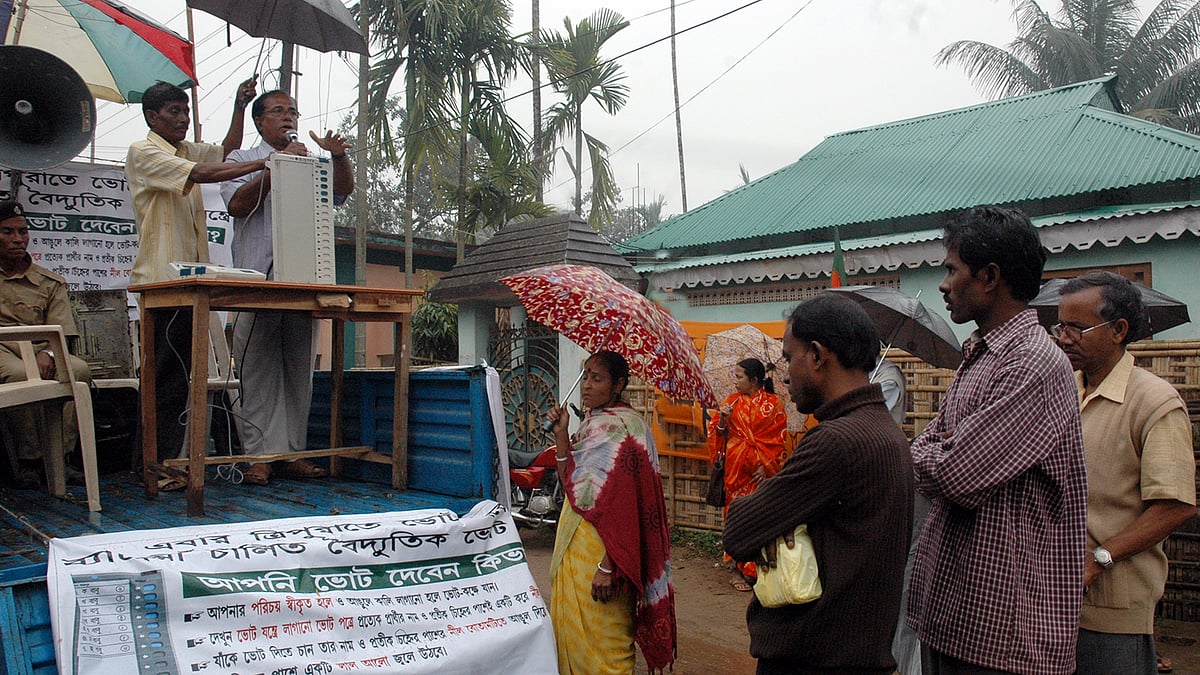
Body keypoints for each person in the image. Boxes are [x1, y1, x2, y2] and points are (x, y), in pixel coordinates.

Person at [907, 205, 1087, 674]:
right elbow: (931, 447)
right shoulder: (982, 355)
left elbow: (954, 472)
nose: (944, 285)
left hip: (1006, 633)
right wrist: (940, 448)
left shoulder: (1032, 363)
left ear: (989, 277)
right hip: (960, 616)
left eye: (952, 270)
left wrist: (940, 450)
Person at [723, 293, 914, 674]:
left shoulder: (836, 441)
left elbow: (738, 530)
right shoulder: (887, 434)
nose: (785, 373)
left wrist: (775, 526)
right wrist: (784, 521)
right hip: (858, 655)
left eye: (788, 357)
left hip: (814, 659)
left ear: (816, 355)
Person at [1055, 271, 1196, 675]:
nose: (1064, 338)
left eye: (1078, 328)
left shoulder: (1153, 402)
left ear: (1118, 330)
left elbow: (1175, 506)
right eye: (1061, 326)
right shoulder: (1067, 391)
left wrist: (1099, 559)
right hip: (1055, 603)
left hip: (1113, 612)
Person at [125, 78, 261, 477]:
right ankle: (155, 466)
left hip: (189, 282)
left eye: (186, 111)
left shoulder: (185, 148)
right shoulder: (144, 151)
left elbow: (226, 149)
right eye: (174, 112)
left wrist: (239, 106)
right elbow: (206, 171)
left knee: (181, 378)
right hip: (160, 281)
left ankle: (159, 464)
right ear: (153, 116)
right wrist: (262, 164)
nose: (183, 119)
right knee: (163, 379)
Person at [220, 89, 354, 486]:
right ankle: (260, 457)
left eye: (292, 110)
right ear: (260, 121)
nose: (287, 116)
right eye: (278, 111)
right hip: (256, 283)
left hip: (302, 281)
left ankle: (292, 453)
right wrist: (274, 166)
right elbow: (237, 205)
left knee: (298, 370)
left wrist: (338, 155)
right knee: (257, 371)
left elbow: (342, 192)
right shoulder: (241, 160)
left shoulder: (309, 162)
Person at [546, 351, 676, 674]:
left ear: (618, 385)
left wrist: (608, 565)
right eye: (585, 376)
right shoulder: (592, 423)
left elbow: (630, 510)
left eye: (597, 378)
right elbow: (571, 484)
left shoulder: (628, 431)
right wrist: (562, 433)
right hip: (576, 548)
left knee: (608, 646)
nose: (586, 385)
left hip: (606, 558)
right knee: (572, 640)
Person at [0, 201, 91, 487]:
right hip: (3, 350)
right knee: (19, 375)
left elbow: (63, 328)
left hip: (43, 349)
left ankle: (61, 458)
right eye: (7, 232)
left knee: (78, 370)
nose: (18, 239)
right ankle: (31, 461)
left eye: (22, 231)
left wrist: (50, 352)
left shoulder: (48, 282)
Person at [707, 357, 787, 592]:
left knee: (759, 519)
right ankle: (736, 569)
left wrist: (768, 466)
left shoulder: (774, 405)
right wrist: (722, 421)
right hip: (736, 473)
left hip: (759, 476)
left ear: (753, 380)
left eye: (739, 376)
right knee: (735, 517)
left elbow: (779, 440)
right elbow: (716, 434)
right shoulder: (730, 403)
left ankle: (757, 568)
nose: (735, 381)